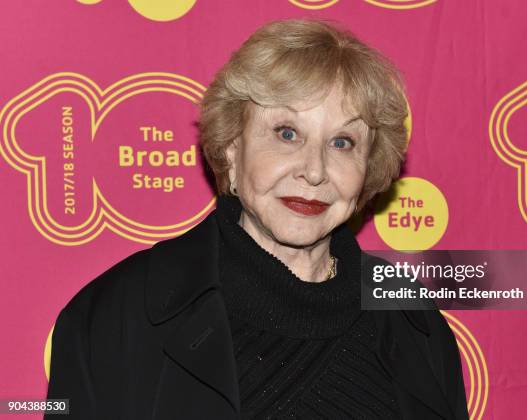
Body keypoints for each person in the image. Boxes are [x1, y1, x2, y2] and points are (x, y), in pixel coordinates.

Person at [45, 18, 469, 420]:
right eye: (287, 133)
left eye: (342, 142)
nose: (315, 170)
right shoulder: (116, 315)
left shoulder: (413, 317)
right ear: (231, 146)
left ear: (368, 167)